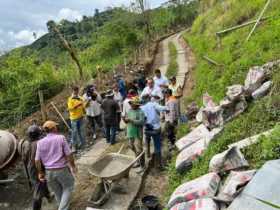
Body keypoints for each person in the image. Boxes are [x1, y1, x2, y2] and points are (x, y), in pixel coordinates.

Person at [35, 121, 76, 210]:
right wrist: (73, 166)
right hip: (61, 169)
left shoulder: (40, 143)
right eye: (56, 127)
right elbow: (69, 154)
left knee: (58, 192)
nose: (57, 128)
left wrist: (40, 173)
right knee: (69, 187)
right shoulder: (61, 138)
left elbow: (37, 160)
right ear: (53, 128)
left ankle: (64, 207)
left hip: (48, 172)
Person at [19, 125, 52, 210]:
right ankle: (36, 208)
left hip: (31, 167)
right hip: (37, 167)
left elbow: (24, 158)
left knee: (42, 182)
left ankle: (48, 196)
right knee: (38, 188)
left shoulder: (26, 144)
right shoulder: (39, 143)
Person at [141, 94, 169, 170]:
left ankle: (148, 154)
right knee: (157, 146)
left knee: (147, 140)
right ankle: (159, 165)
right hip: (155, 128)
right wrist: (167, 108)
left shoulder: (141, 107)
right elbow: (162, 108)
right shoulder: (153, 104)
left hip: (147, 128)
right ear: (149, 98)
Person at [124, 96, 145, 170]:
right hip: (130, 132)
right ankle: (137, 160)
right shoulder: (129, 110)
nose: (131, 105)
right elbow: (127, 120)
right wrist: (125, 120)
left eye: (133, 104)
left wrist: (132, 120)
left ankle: (142, 165)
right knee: (131, 146)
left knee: (139, 149)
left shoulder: (140, 112)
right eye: (131, 104)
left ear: (137, 105)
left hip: (137, 133)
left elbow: (142, 122)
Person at [67, 86, 85, 151]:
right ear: (73, 91)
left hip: (81, 117)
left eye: (77, 90)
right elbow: (70, 109)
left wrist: (85, 104)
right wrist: (77, 105)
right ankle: (74, 146)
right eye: (75, 91)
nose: (76, 92)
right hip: (74, 118)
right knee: (74, 132)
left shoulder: (80, 98)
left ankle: (83, 145)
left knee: (81, 131)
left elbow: (83, 106)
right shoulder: (70, 99)